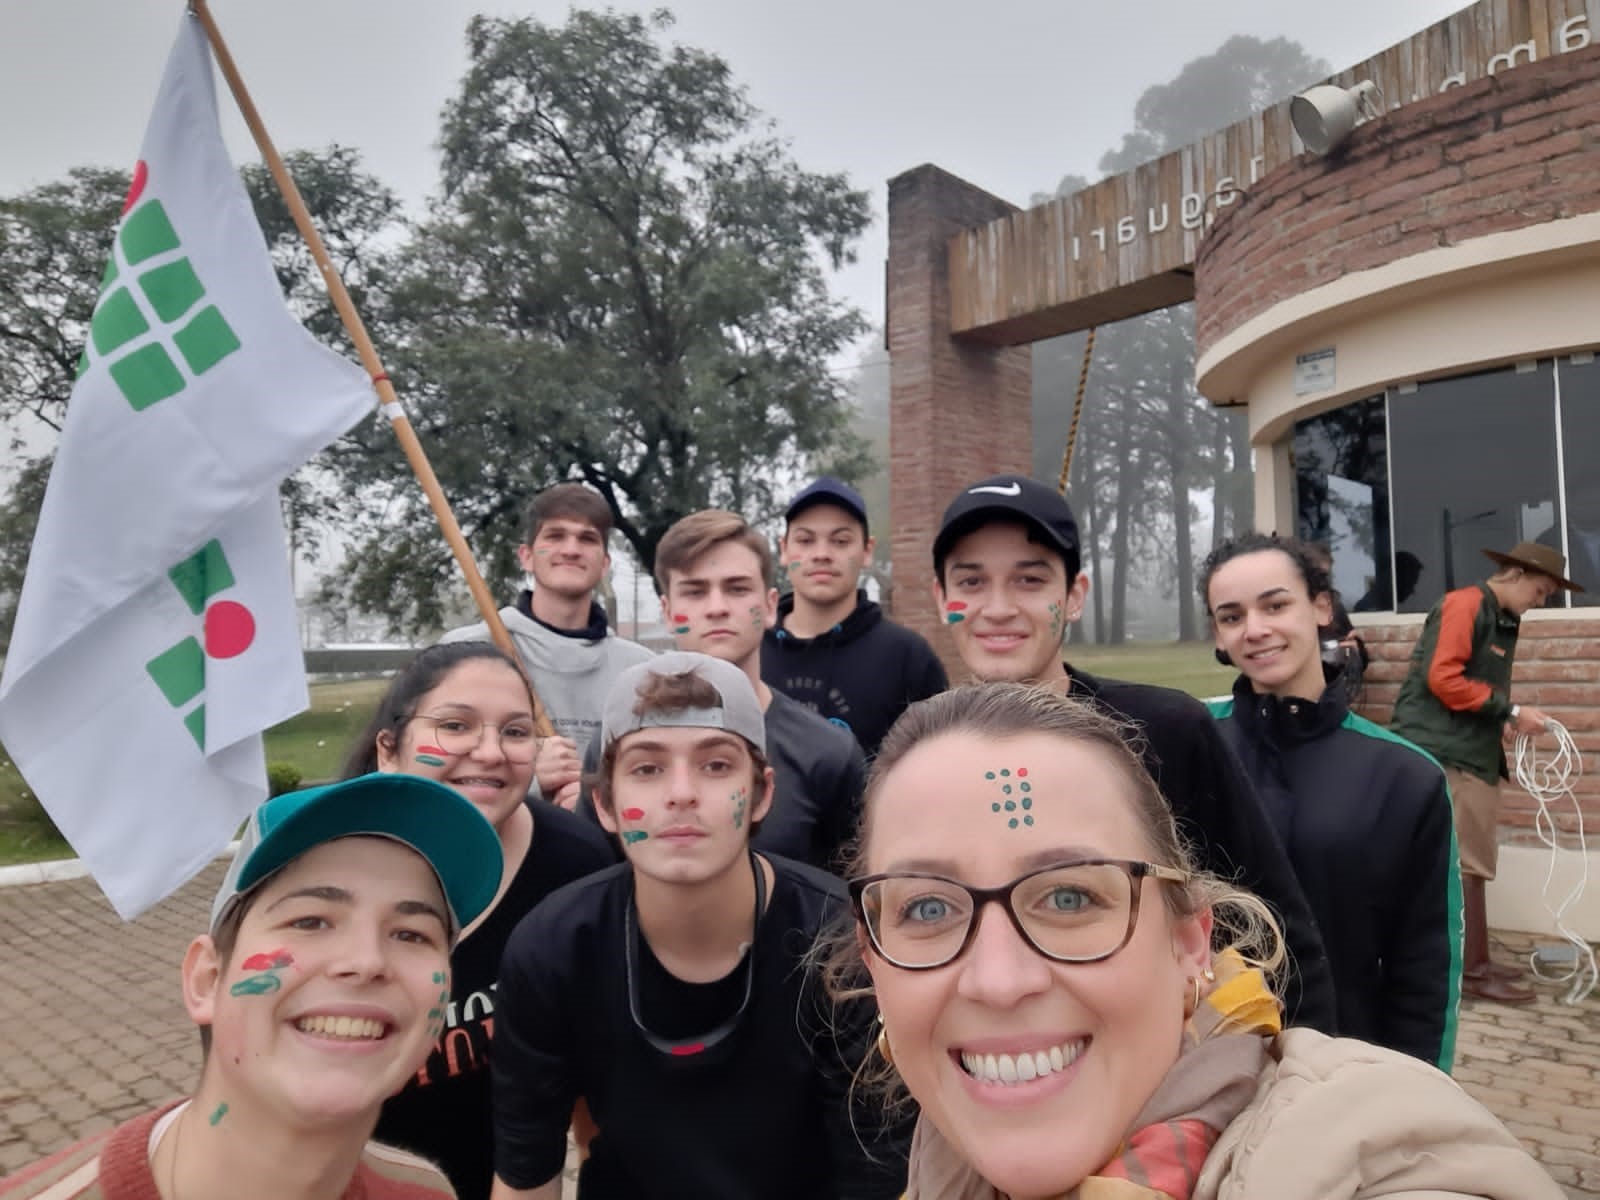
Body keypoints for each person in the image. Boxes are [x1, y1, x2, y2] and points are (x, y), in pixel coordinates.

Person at [827, 682, 1563, 1200]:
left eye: (1069, 897)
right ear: (873, 958)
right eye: (928, 907)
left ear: (1190, 946)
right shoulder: (944, 1158)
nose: (998, 979)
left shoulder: (1363, 1167)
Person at [489, 652, 911, 1199]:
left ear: (762, 794)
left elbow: (875, 1177)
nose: (682, 792)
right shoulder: (553, 949)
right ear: (605, 805)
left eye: (715, 765)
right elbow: (526, 1171)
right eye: (647, 769)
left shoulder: (839, 943)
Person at [929, 473, 1336, 1032]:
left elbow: (1277, 931)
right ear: (941, 598)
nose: (997, 608)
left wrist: (1302, 1066)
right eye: (972, 582)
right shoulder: (921, 762)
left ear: (1074, 596)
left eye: (1030, 580)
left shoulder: (1164, 733)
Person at [2, 773, 502, 1200]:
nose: (367, 962)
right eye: (310, 921)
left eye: (412, 934)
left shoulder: (423, 1192)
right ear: (206, 980)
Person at [344, 643, 617, 1200]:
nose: (490, 752)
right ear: (388, 750)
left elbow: (597, 1084)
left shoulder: (576, 866)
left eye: (515, 732)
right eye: (455, 725)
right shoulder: (321, 869)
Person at [1200, 532, 1461, 1067]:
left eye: (1275, 605)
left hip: (1344, 1067)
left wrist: (1419, 1088)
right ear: (1218, 636)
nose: (1255, 629)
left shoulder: (1406, 775)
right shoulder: (1189, 745)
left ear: (1321, 608)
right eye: (1232, 616)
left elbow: (1425, 961)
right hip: (1204, 1065)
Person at [581, 509, 865, 872]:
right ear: (667, 610)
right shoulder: (618, 740)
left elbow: (854, 891)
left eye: (737, 588)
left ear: (770, 605)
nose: (717, 608)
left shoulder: (828, 752)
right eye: (695, 591)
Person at [1390, 541, 1582, 1004]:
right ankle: (1473, 972)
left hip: (1469, 748)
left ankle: (1475, 960)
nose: (1540, 603)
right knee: (1468, 862)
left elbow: (1470, 685)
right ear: (1516, 574)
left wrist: (1501, 719)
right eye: (1540, 591)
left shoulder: (1498, 616)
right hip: (1447, 750)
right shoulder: (1466, 605)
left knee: (1469, 859)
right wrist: (1511, 710)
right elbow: (1443, 678)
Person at [441, 482, 652, 809]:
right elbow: (432, 773)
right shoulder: (465, 652)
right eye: (555, 536)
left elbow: (656, 781)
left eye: (587, 539)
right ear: (526, 557)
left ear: (605, 563)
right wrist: (529, 779)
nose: (571, 550)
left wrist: (597, 800)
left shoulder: (641, 671)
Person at [763, 476, 947, 758]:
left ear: (867, 551)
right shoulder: (751, 651)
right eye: (805, 540)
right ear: (784, 549)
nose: (821, 554)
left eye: (840, 541)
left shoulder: (908, 657)